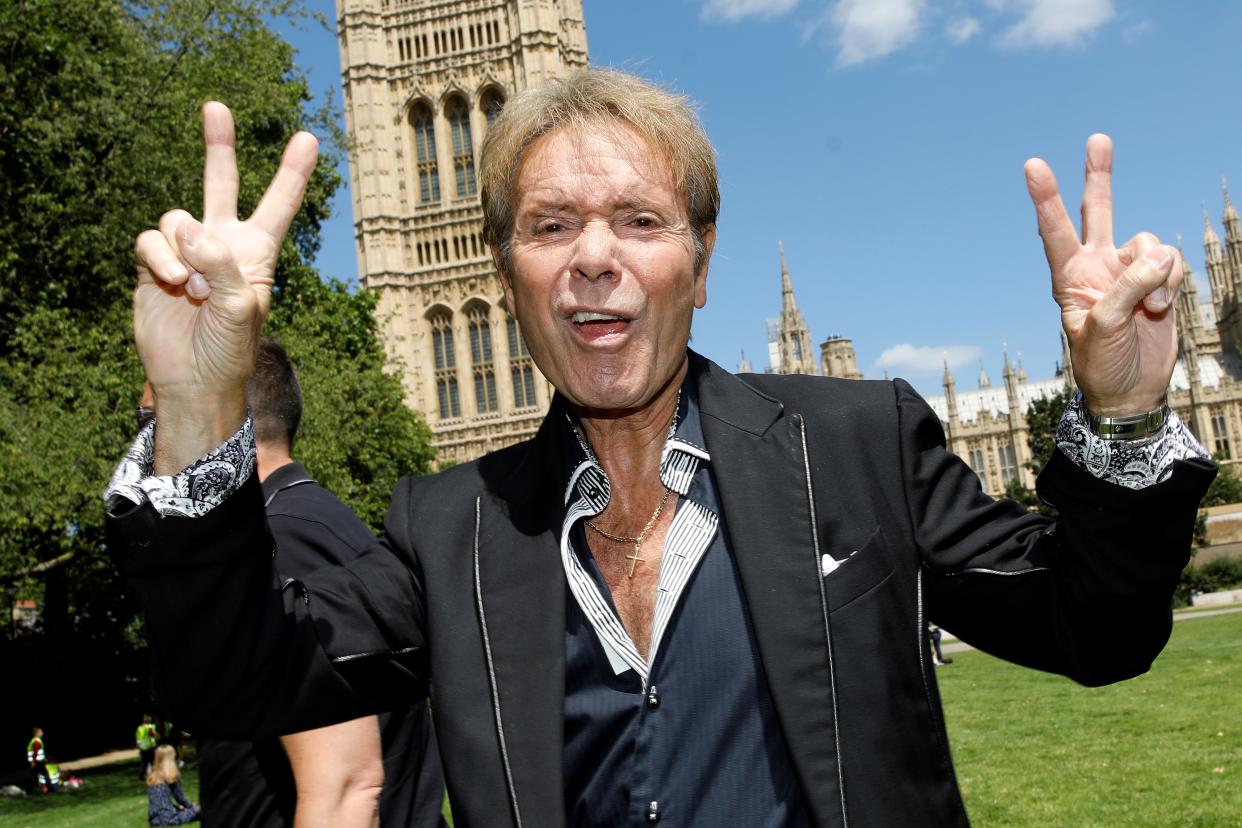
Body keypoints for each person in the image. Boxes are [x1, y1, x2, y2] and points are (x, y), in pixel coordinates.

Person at [106, 69, 1215, 825]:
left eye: (639, 219)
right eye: (549, 226)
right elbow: (234, 676)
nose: (594, 257)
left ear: (700, 254)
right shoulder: (447, 531)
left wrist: (1121, 414)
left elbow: (1097, 626)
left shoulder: (853, 443)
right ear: (507, 271)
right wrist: (200, 410)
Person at [187, 338, 445, 828]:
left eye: (153, 423)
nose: (146, 448)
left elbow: (345, 788)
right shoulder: (311, 521)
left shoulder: (280, 541)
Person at [147, 743, 201, 825]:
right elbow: (181, 799)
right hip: (170, 818)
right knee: (201, 809)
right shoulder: (172, 776)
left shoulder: (152, 777)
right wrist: (192, 807)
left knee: (179, 809)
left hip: (154, 819)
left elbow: (160, 802)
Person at [26, 726, 54, 793]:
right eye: (41, 732)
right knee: (45, 774)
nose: (42, 733)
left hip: (37, 762)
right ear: (36, 733)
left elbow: (38, 752)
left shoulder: (34, 740)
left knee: (34, 776)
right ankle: (51, 790)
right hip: (38, 762)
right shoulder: (36, 741)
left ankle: (29, 791)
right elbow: (35, 751)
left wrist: (44, 759)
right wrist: (33, 761)